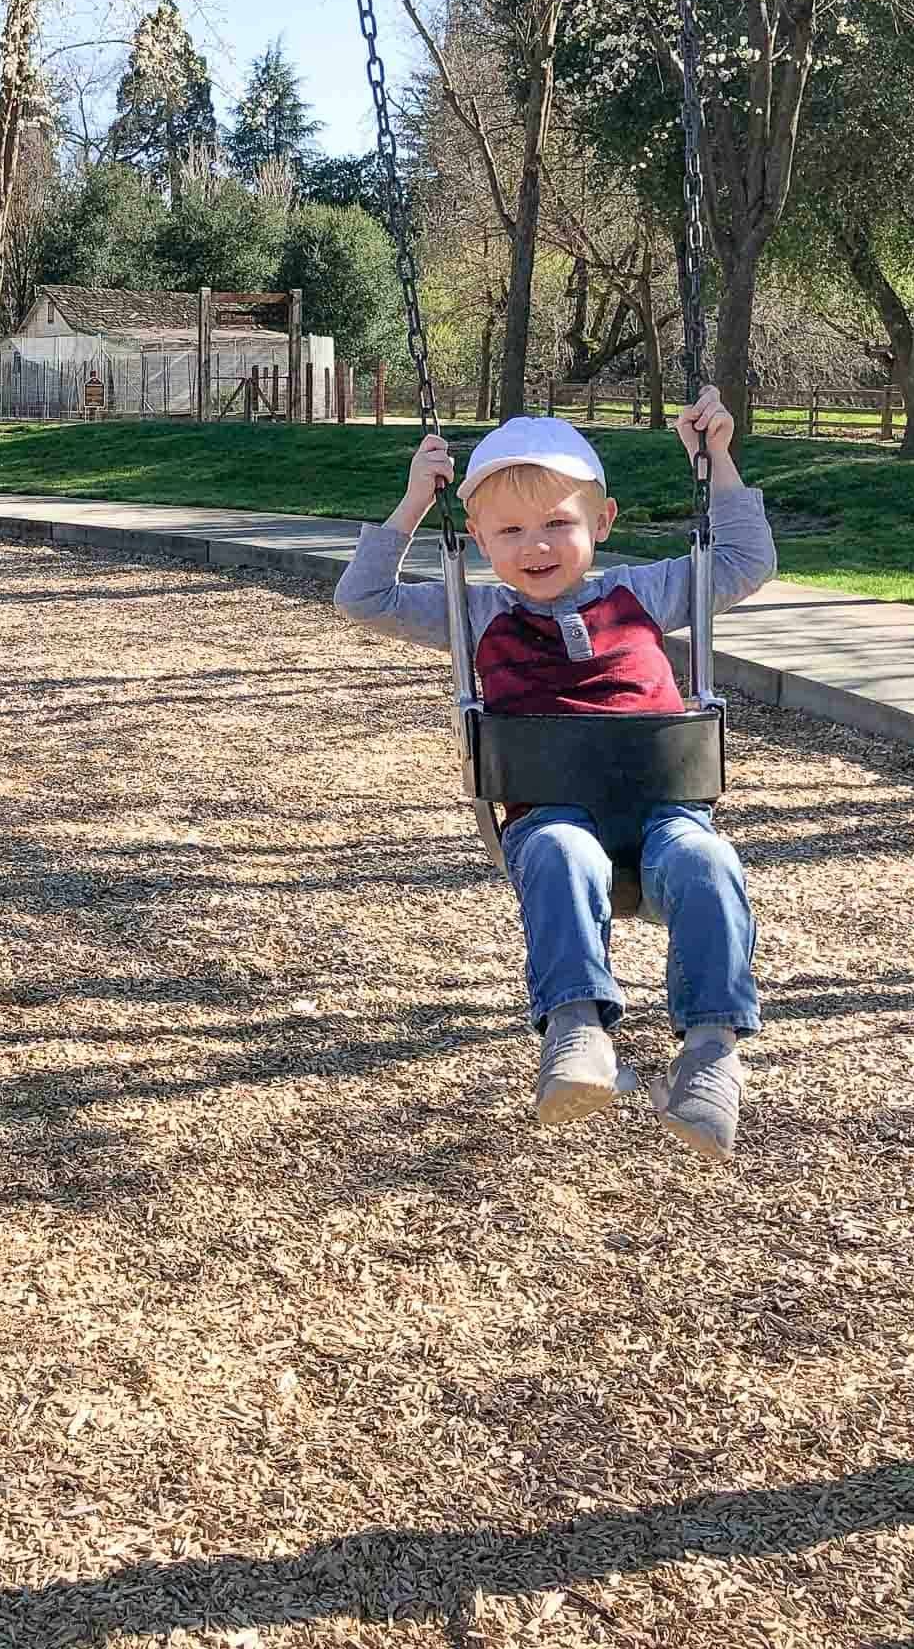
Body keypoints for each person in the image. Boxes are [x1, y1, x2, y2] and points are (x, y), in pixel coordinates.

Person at [333, 392, 777, 1162]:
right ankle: (577, 1033)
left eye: (557, 524)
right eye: (509, 531)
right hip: (551, 813)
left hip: (667, 812)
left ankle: (711, 1054)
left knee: (710, 862)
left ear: (601, 523)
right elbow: (363, 598)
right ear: (477, 539)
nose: (535, 546)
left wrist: (719, 462)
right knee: (561, 855)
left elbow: (745, 560)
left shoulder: (645, 593)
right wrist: (414, 504)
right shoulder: (473, 613)